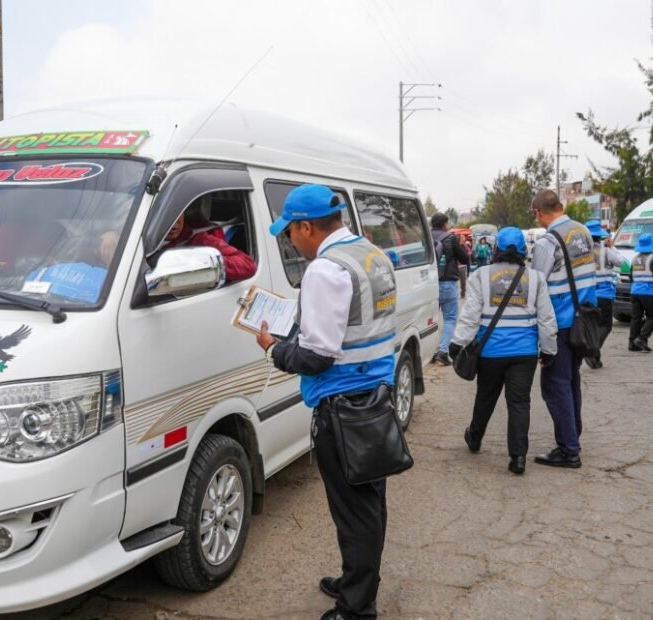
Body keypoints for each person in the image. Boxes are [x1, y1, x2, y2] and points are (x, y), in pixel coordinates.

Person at [254, 184, 397, 620]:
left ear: (306, 227)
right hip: (375, 397)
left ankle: (357, 608)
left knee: (355, 513)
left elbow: (316, 357)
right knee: (368, 504)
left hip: (343, 407)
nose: (290, 240)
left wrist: (272, 348)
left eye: (289, 232)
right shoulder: (371, 254)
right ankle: (357, 580)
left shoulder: (324, 269)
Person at [448, 227, 557, 474]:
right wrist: (549, 349)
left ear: (495, 249)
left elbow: (470, 315)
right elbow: (546, 318)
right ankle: (518, 458)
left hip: (491, 352)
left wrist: (457, 342)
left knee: (485, 397)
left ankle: (474, 438)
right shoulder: (536, 278)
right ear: (523, 250)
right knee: (519, 403)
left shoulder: (481, 275)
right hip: (524, 353)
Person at [528, 189, 596, 469]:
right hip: (584, 319)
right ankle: (572, 436)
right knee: (571, 381)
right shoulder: (583, 231)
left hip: (561, 323)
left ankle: (569, 449)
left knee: (555, 385)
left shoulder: (548, 242)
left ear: (538, 212)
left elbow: (537, 284)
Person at [162, 209, 257, 281]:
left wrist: (204, 261)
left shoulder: (198, 240)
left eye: (178, 213)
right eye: (166, 215)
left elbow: (247, 265)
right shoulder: (152, 242)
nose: (174, 222)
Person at [585, 220, 624, 369]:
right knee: (606, 325)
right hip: (604, 295)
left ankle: (596, 359)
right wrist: (612, 247)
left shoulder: (581, 252)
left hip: (587, 295)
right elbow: (620, 262)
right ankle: (592, 351)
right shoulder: (606, 251)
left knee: (593, 326)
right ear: (600, 236)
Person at [430, 213, 469, 365]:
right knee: (450, 318)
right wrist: (461, 245)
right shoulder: (451, 238)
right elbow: (465, 258)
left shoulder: (426, 237)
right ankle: (443, 351)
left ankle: (431, 352)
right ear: (444, 224)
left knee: (431, 320)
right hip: (447, 282)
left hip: (429, 284)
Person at [627, 233, 653, 352]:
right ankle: (641, 338)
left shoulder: (635, 259)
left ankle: (632, 343)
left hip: (635, 292)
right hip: (649, 292)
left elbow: (631, 276)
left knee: (636, 318)